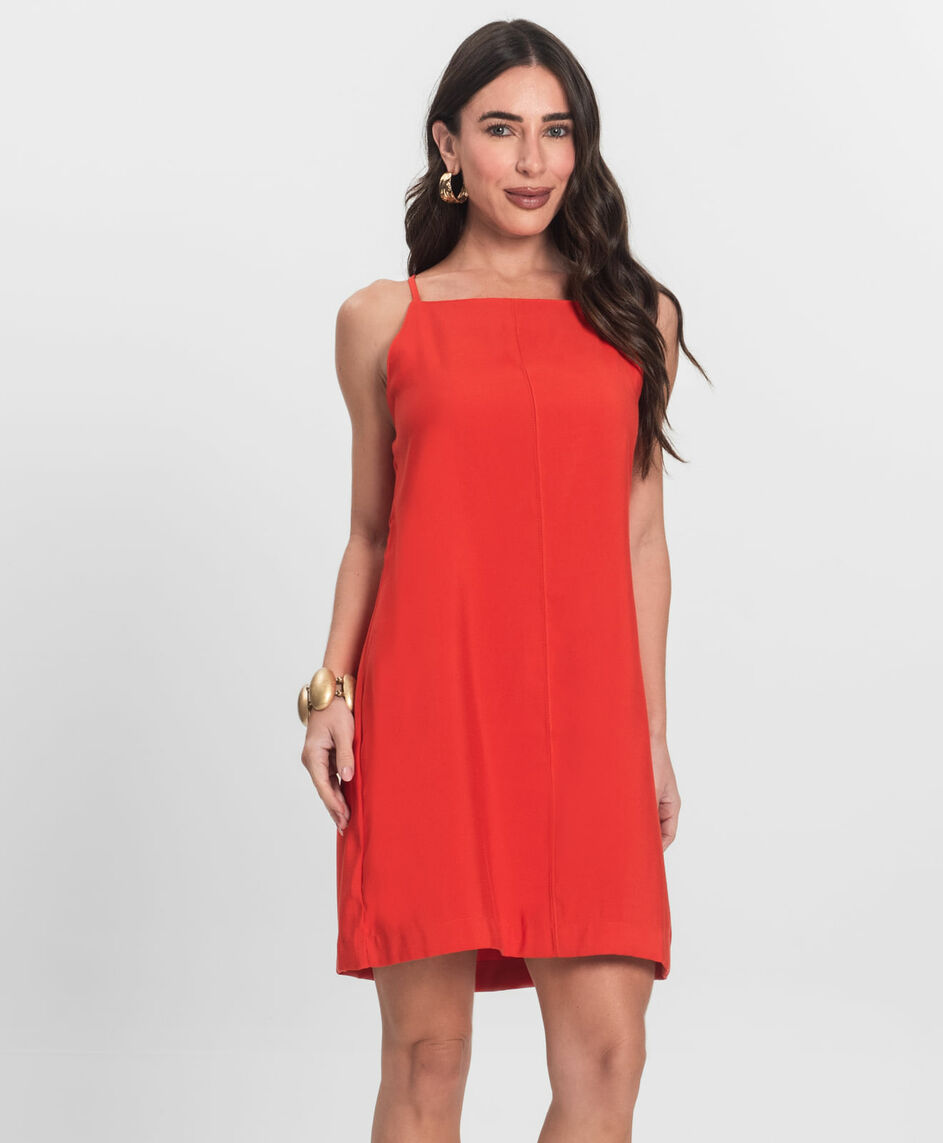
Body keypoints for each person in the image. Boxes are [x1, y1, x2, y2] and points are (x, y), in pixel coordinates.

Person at [299, 18, 709, 1141]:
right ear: (448, 144)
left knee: (607, 1060)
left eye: (556, 131)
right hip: (431, 711)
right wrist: (328, 694)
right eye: (501, 130)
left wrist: (651, 734)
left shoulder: (637, 316)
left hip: (587, 721)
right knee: (428, 1058)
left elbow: (641, 536)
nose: (532, 161)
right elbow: (371, 533)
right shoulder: (382, 319)